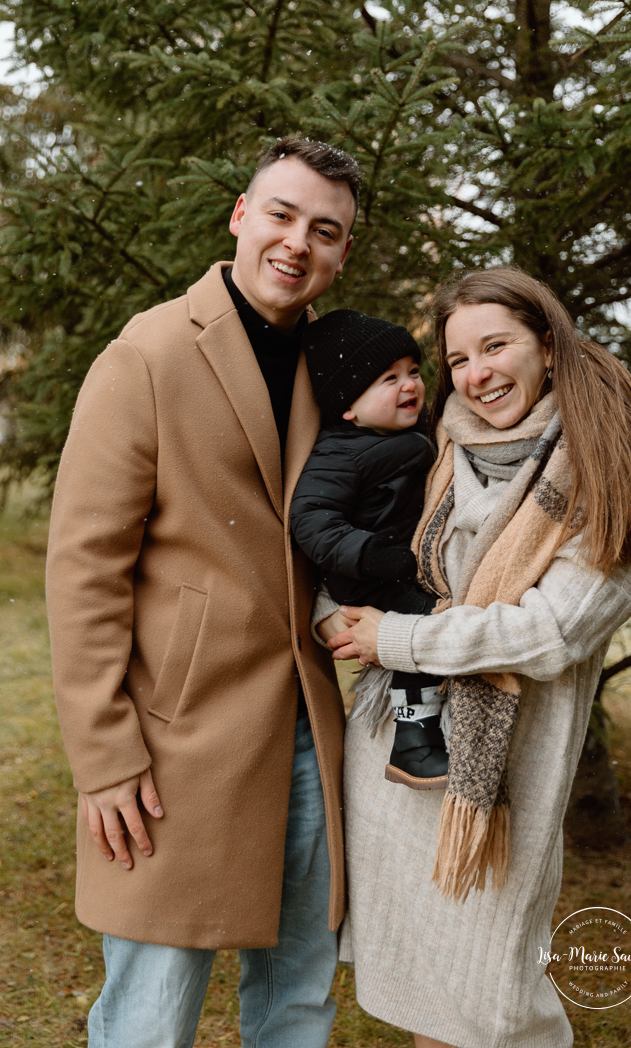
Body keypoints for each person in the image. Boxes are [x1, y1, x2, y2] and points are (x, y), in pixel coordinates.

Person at [45, 136, 359, 1048]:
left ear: (342, 254)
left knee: (297, 1001)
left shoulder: (335, 366)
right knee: (151, 1012)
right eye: (282, 214)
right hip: (174, 742)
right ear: (240, 214)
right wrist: (104, 756)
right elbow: (83, 566)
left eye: (325, 230)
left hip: (308, 727)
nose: (298, 243)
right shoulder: (145, 354)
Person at [318, 268, 631, 1048]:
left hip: (499, 787)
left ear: (546, 343)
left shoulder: (600, 470)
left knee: (493, 1002)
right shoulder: (434, 448)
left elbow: (550, 631)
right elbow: (355, 556)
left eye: (495, 345)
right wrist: (337, 624)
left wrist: (396, 638)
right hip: (398, 764)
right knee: (424, 999)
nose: (476, 375)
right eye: (459, 358)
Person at [290, 309, 448, 789]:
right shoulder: (338, 455)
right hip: (367, 578)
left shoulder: (408, 437)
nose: (409, 386)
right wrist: (371, 554)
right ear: (348, 407)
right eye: (388, 379)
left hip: (392, 565)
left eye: (413, 373)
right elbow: (312, 522)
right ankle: (413, 740)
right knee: (420, 622)